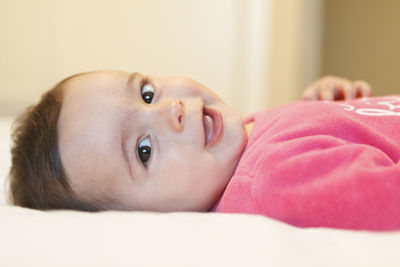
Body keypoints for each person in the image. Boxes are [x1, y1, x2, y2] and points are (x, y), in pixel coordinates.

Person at [8, 70, 400, 231]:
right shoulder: (273, 179)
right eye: (143, 151)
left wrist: (330, 106)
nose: (169, 111)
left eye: (147, 93)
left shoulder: (244, 136)